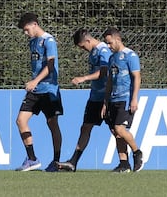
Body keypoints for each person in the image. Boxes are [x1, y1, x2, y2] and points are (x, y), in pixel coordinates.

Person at [55, 28, 133, 173]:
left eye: (83, 46)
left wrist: (84, 78)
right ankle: (73, 162)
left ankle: (125, 162)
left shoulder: (103, 50)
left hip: (106, 97)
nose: (83, 49)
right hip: (94, 97)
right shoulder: (94, 52)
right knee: (85, 127)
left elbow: (104, 71)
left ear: (88, 40)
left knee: (117, 131)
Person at [15, 12, 63, 172]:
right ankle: (32, 159)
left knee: (52, 124)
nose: (25, 32)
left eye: (26, 29)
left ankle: (56, 161)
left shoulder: (48, 41)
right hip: (36, 90)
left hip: (49, 89)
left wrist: (35, 81)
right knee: (21, 120)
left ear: (34, 24)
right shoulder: (32, 42)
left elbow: (50, 66)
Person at [100, 27, 144, 172]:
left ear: (117, 39)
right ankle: (124, 164)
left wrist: (134, 99)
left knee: (120, 128)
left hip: (125, 98)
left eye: (110, 42)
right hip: (113, 99)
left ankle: (137, 153)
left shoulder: (130, 55)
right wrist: (105, 102)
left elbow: (136, 77)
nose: (108, 46)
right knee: (115, 131)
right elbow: (110, 82)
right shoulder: (112, 58)